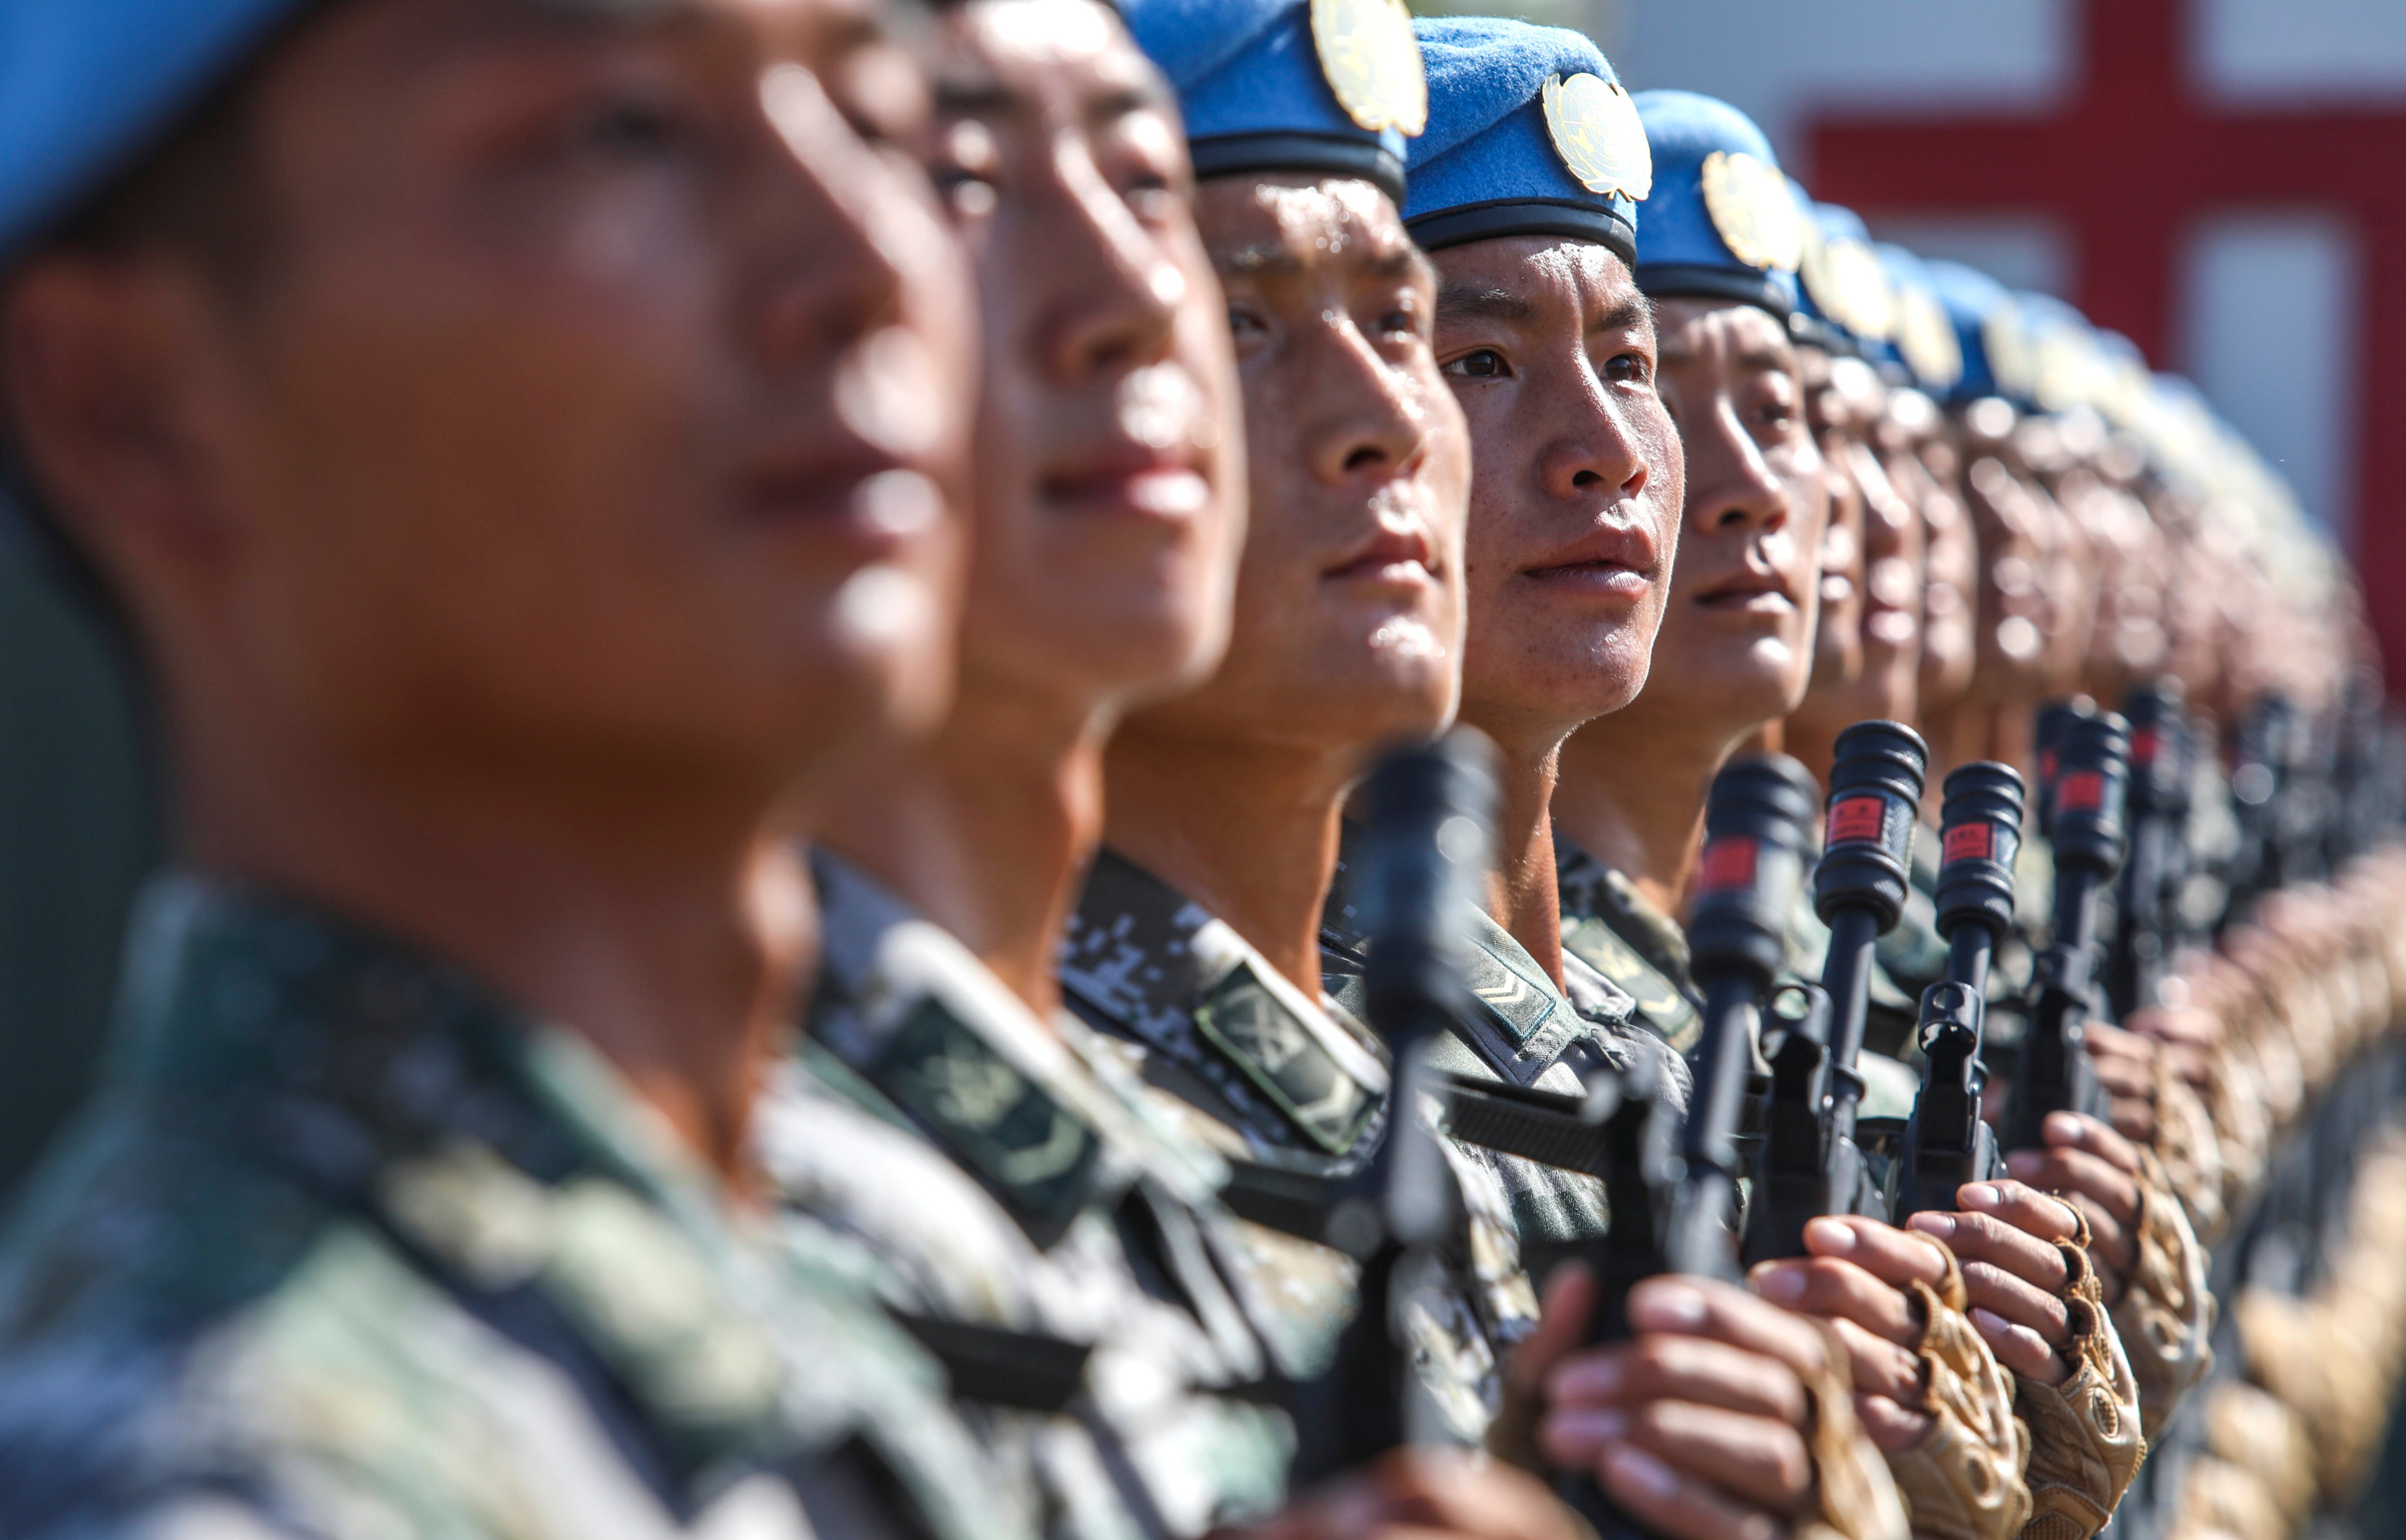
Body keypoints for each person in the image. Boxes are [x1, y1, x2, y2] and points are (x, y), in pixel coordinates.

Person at [0, 1, 1015, 1535]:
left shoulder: (792, 1277)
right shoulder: (226, 1480)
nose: (868, 260)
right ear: (131, 403)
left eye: (882, 121)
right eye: (624, 129)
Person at [753, 5, 1588, 1537]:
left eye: (1398, 325)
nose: (1380, 425)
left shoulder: (1121, 1151)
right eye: (1251, 317)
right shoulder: (786, 1188)